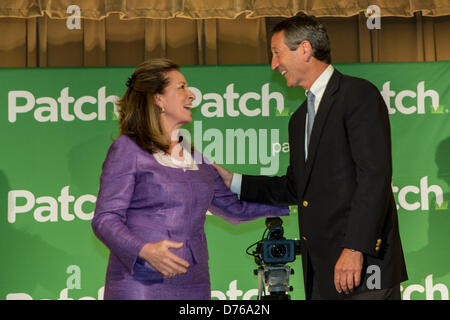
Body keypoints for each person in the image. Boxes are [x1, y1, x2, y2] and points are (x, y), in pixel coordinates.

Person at [212, 13, 408, 300]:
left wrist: (355, 248)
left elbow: (374, 178)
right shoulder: (299, 118)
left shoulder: (357, 95)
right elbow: (296, 187)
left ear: (305, 49)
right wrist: (234, 181)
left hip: (365, 270)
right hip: (321, 272)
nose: (273, 64)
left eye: (277, 53)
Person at [91, 58, 289, 300]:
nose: (192, 95)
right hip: (142, 280)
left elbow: (235, 209)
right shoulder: (128, 148)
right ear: (158, 99)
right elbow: (105, 219)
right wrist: (145, 250)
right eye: (181, 87)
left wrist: (298, 200)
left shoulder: (195, 156)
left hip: (194, 281)